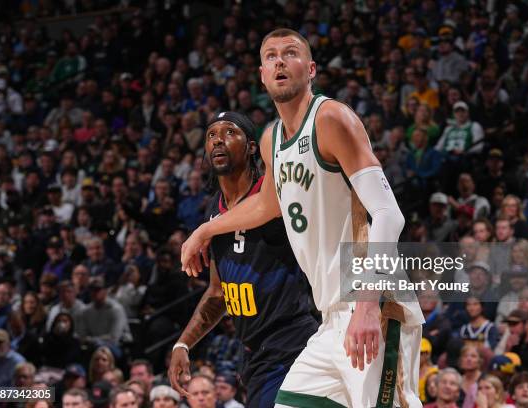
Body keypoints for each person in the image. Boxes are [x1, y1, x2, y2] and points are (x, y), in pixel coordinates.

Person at [180, 28, 425, 408]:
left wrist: (365, 304)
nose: (280, 61)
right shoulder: (270, 139)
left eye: (290, 53)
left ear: (310, 69)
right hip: (330, 317)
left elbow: (388, 214)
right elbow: (265, 206)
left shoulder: (331, 118)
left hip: (370, 303)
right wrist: (205, 230)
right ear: (262, 74)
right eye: (271, 56)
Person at [169, 112, 318, 407]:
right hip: (252, 352)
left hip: (291, 340)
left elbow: (264, 206)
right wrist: (183, 343)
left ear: (252, 147)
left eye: (229, 132)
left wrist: (205, 230)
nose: (218, 141)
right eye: (211, 135)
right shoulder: (214, 208)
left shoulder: (276, 193)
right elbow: (218, 291)